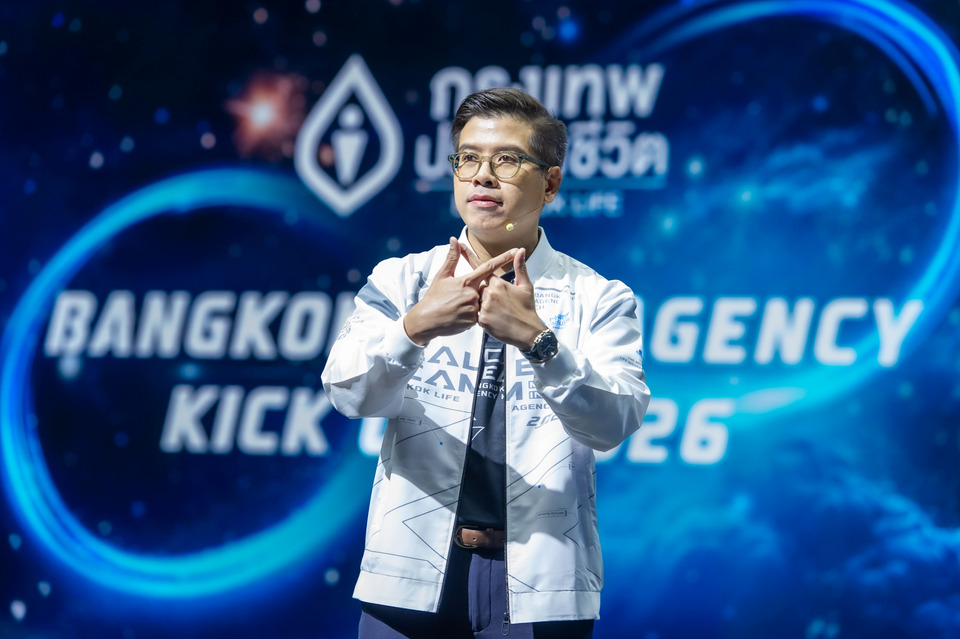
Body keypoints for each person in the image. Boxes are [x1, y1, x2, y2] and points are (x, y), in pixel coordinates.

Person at [321, 87, 650, 638]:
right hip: (411, 568)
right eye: (468, 158)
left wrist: (539, 342)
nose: (483, 177)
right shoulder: (402, 280)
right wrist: (414, 328)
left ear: (550, 183)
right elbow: (347, 394)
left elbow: (613, 424)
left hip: (539, 578)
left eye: (507, 160)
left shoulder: (599, 297)